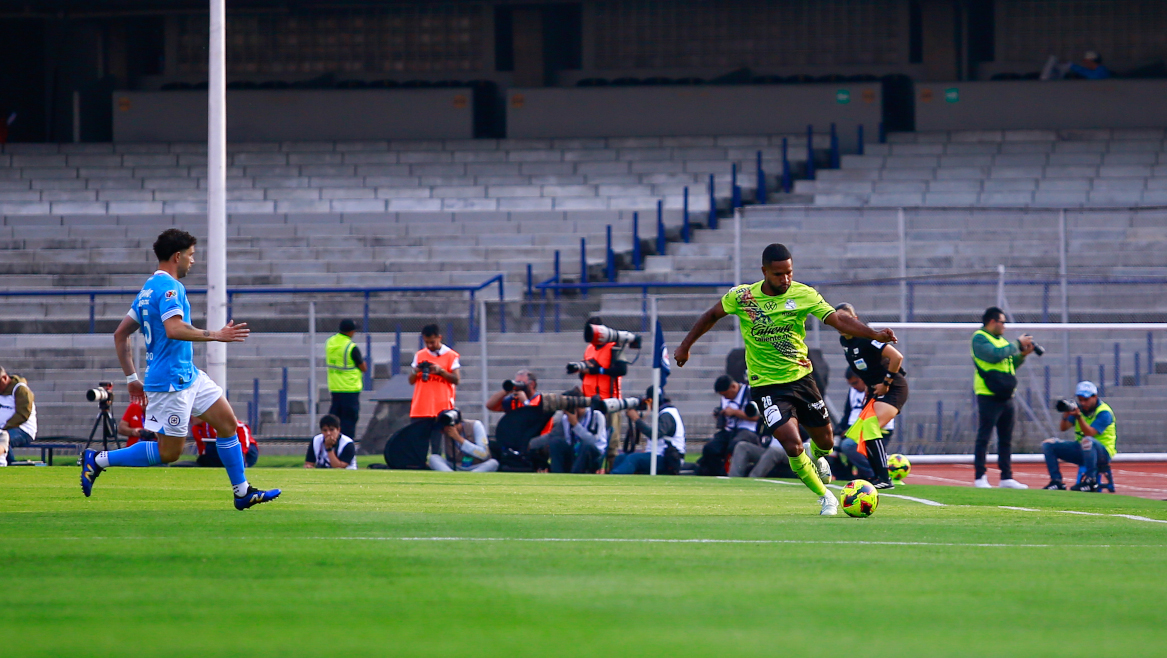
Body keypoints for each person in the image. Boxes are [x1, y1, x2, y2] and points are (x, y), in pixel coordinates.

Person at [673, 243, 897, 516]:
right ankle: (825, 497)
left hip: (802, 379)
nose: (786, 279)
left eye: (789, 272)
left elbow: (837, 319)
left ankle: (819, 457)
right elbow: (711, 315)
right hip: (766, 385)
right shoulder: (744, 297)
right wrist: (686, 345)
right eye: (779, 274)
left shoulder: (804, 294)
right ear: (765, 271)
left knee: (825, 441)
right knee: (791, 444)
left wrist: (873, 334)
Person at [80, 228, 280, 509]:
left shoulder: (148, 289)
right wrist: (216, 335)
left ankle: (242, 491)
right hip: (170, 382)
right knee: (169, 453)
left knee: (227, 424)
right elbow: (174, 329)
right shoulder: (172, 288)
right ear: (177, 256)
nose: (193, 261)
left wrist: (132, 378)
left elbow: (120, 334)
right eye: (191, 255)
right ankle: (98, 459)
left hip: (188, 375)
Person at [834, 303, 906, 489]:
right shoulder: (845, 342)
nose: (841, 323)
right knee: (854, 436)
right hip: (875, 391)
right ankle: (876, 477)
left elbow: (897, 357)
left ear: (855, 320)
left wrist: (887, 382)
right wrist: (869, 387)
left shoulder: (866, 338)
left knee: (870, 426)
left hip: (893, 388)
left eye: (845, 318)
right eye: (837, 319)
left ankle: (884, 478)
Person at [971, 307, 1034, 490]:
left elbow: (1008, 363)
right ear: (992, 321)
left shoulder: (1001, 341)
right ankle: (980, 476)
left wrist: (1022, 355)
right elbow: (994, 356)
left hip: (1006, 394)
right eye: (1002, 322)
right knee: (984, 437)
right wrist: (1016, 343)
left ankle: (1006, 477)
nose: (1004, 326)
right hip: (988, 394)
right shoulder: (980, 338)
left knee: (1006, 438)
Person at [1042, 381, 1116, 492]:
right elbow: (1064, 428)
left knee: (1088, 441)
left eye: (1086, 400)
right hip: (1083, 449)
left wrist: (1079, 417)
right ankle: (1056, 481)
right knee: (1048, 444)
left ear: (1094, 397)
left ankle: (1091, 481)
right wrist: (1065, 415)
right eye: (1080, 399)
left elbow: (1090, 433)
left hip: (1102, 453)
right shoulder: (1079, 409)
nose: (1083, 403)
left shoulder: (1104, 412)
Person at [409, 324, 461, 452]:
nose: (430, 346)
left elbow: (456, 380)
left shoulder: (451, 356)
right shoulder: (420, 355)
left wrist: (441, 371)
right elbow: (411, 381)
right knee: (418, 444)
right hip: (420, 407)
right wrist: (416, 371)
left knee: (437, 444)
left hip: (440, 407)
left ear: (439, 338)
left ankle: (437, 465)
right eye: (427, 343)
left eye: (432, 342)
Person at [611, 387, 685, 475]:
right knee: (621, 458)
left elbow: (655, 434)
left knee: (633, 459)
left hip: (668, 458)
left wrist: (636, 419)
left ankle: (616, 479)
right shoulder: (666, 412)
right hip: (661, 455)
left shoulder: (667, 414)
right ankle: (611, 477)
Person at [697, 375, 761, 476]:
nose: (725, 397)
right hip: (729, 430)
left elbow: (757, 417)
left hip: (748, 430)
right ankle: (716, 473)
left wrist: (735, 412)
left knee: (734, 445)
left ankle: (731, 473)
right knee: (710, 448)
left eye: (726, 394)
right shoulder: (725, 398)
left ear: (733, 387)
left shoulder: (750, 393)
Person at [325, 319, 367, 441]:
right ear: (350, 332)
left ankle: (331, 443)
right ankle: (347, 446)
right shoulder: (351, 347)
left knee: (334, 420)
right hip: (349, 388)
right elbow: (363, 367)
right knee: (349, 421)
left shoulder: (330, 342)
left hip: (335, 387)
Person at [428, 409, 499, 473]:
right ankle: (451, 475)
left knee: (493, 463)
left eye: (444, 427)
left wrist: (458, 438)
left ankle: (472, 476)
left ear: (454, 425)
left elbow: (484, 454)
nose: (441, 431)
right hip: (455, 465)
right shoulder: (445, 433)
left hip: (476, 465)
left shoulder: (475, 425)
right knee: (433, 458)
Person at [547, 403, 607, 474]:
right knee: (556, 442)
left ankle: (575, 474)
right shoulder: (566, 418)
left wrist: (575, 425)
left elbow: (593, 440)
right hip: (576, 451)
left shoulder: (596, 415)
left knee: (585, 445)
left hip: (594, 452)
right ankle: (557, 474)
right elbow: (568, 440)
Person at [577, 316, 627, 399]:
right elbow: (584, 376)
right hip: (589, 399)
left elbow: (622, 370)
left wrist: (597, 370)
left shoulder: (614, 347)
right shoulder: (589, 348)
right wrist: (583, 370)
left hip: (608, 400)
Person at [0, 366, 36, 466]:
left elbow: (23, 414)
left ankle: (11, 464)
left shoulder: (20, 390)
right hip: (3, 430)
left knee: (3, 439)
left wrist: (4, 428)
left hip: (23, 430)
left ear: (4, 378)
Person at [192, 417, 258, 469]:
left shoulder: (216, 422)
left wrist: (243, 452)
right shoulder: (196, 429)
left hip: (246, 451)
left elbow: (242, 428)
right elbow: (202, 446)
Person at [1041, 51, 1111, 80]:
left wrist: (1071, 66)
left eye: (1085, 61)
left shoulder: (1101, 70)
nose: (1084, 63)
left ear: (1090, 61)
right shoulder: (1098, 70)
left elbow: (1093, 76)